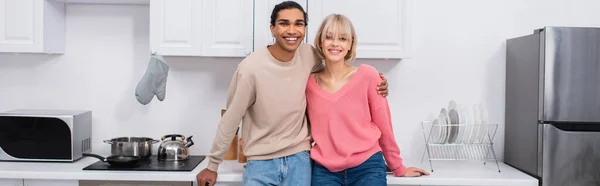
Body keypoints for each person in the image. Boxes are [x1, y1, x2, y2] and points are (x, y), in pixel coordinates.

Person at [195, 2, 389, 186]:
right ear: (272, 28)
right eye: (284, 23)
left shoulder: (308, 56)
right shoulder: (250, 69)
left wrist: (376, 81)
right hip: (261, 162)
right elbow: (231, 118)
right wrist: (213, 164)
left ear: (305, 29)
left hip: (300, 158)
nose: (292, 31)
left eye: (299, 24)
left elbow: (337, 70)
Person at [305, 14, 430, 186]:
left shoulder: (368, 76)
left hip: (367, 166)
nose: (335, 43)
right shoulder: (308, 84)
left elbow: (384, 126)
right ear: (320, 42)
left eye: (342, 38)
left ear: (350, 44)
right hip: (325, 170)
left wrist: (398, 167)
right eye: (329, 37)